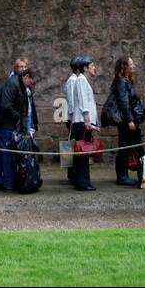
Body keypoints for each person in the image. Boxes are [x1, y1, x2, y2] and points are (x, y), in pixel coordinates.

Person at [0, 59, 30, 190]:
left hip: (6, 121)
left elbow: (21, 105)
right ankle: (7, 182)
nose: (31, 84)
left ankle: (1, 181)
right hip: (2, 122)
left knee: (1, 152)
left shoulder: (21, 85)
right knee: (5, 152)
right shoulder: (12, 83)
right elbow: (5, 105)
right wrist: (19, 118)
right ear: (26, 77)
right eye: (31, 81)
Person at [109, 56, 145, 186]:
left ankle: (143, 174)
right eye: (131, 64)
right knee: (125, 147)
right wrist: (130, 120)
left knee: (135, 146)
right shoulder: (121, 82)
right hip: (126, 122)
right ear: (123, 67)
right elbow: (123, 103)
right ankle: (122, 176)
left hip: (131, 120)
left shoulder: (127, 81)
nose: (133, 66)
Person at [65, 56, 98, 191]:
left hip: (82, 122)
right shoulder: (81, 81)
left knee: (82, 153)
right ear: (85, 68)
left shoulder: (82, 80)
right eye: (92, 66)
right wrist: (87, 120)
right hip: (82, 122)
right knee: (82, 153)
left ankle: (82, 181)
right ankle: (82, 182)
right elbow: (84, 102)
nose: (94, 68)